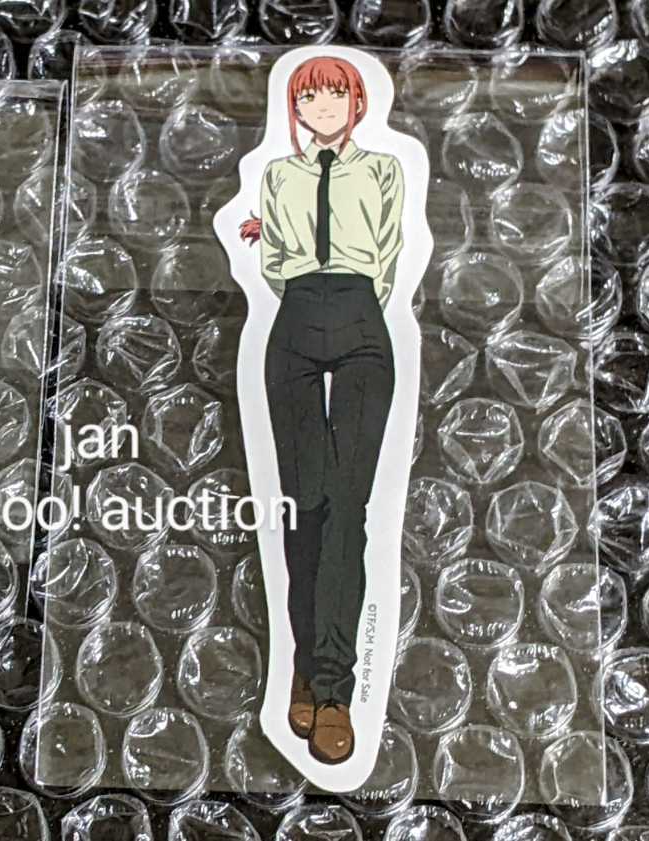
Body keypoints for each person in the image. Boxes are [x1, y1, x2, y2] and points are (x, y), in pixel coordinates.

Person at [238, 55, 403, 765]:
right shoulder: (280, 175)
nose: (325, 106)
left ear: (357, 101)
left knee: (347, 504)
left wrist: (358, 298)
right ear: (297, 108)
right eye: (312, 96)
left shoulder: (383, 169)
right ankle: (306, 666)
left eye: (337, 93)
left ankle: (333, 687)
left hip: (361, 315)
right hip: (297, 315)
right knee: (304, 504)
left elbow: (389, 250)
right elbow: (276, 259)